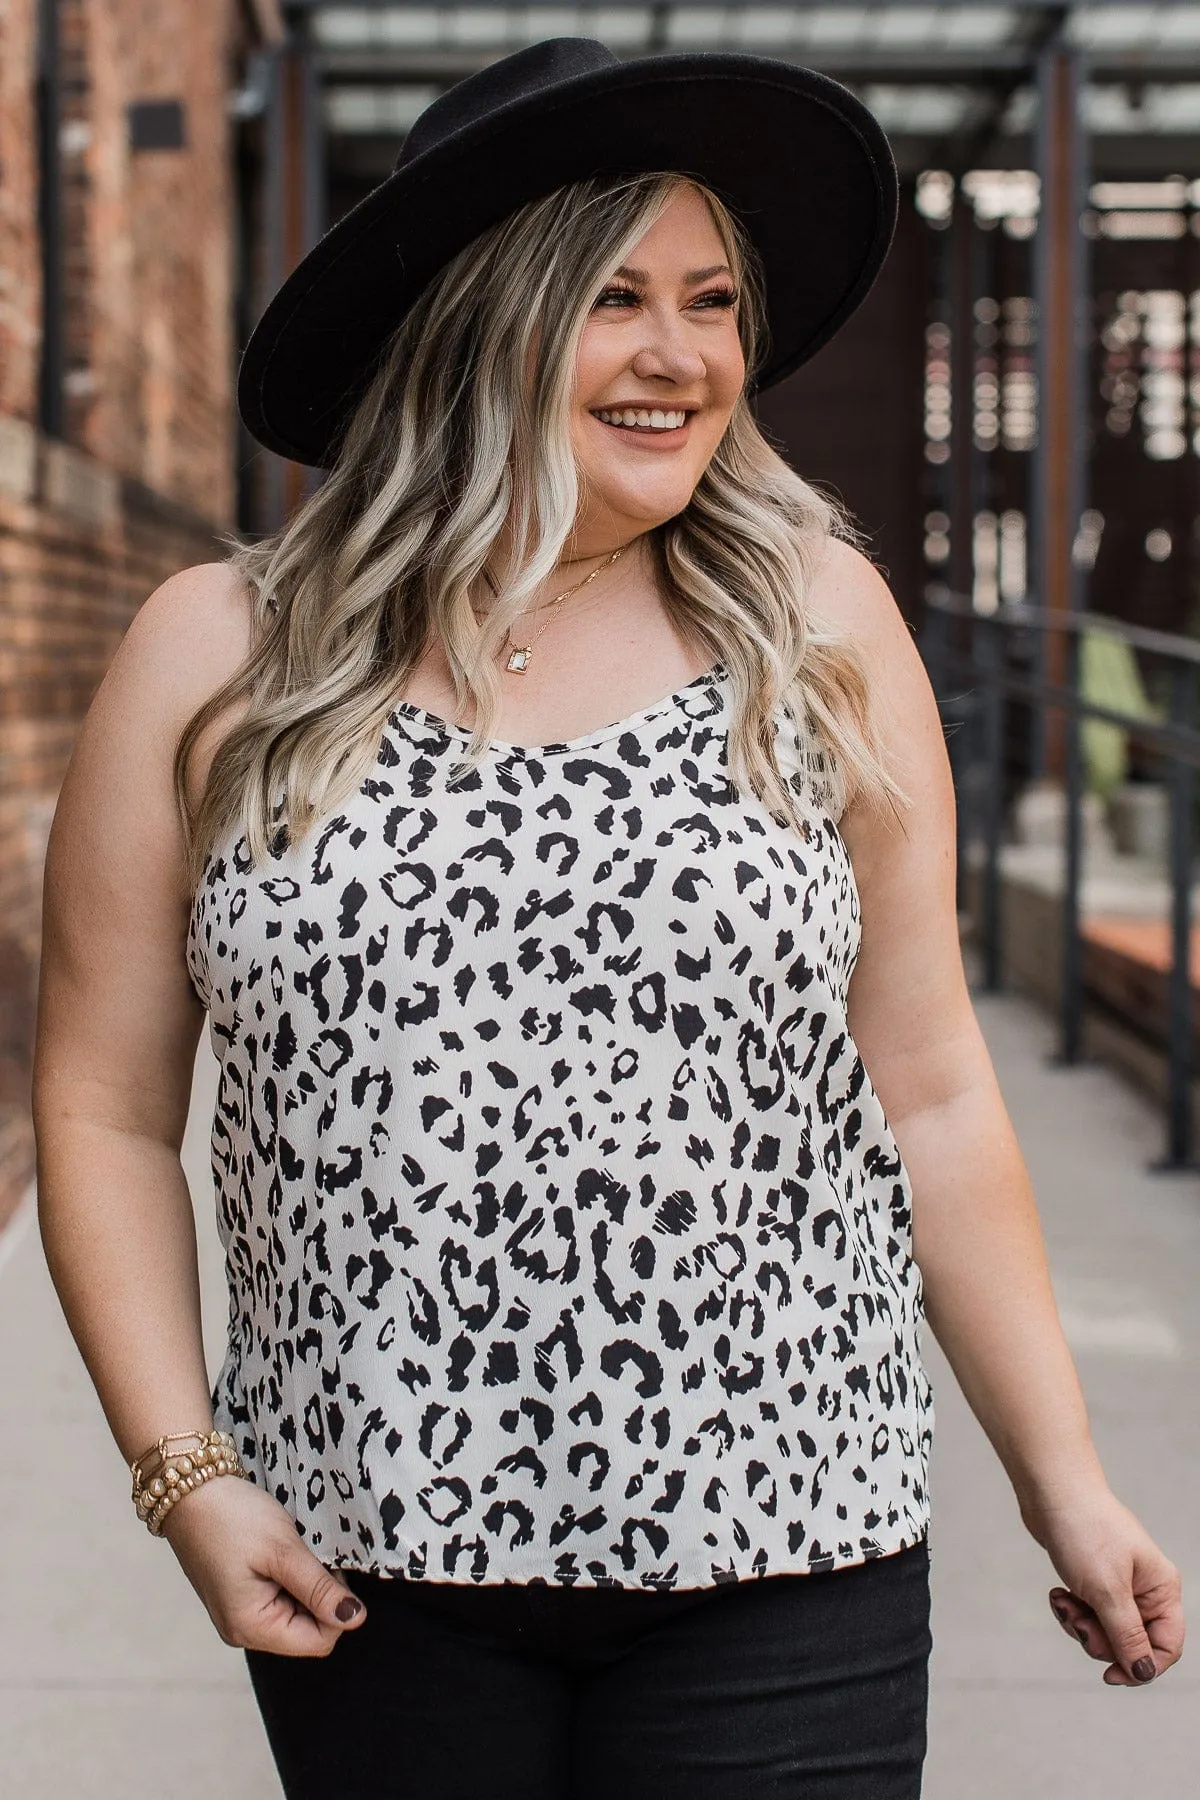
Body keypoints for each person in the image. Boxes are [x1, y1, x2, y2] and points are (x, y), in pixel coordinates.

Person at [33, 35, 1183, 1800]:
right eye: (617, 302)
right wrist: (184, 1473)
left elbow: (933, 1084)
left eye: (713, 302)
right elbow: (105, 1110)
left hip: (791, 1539)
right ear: (476, 322)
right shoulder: (220, 652)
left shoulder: (817, 624)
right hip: (372, 1564)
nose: (684, 357)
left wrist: (1067, 1480)